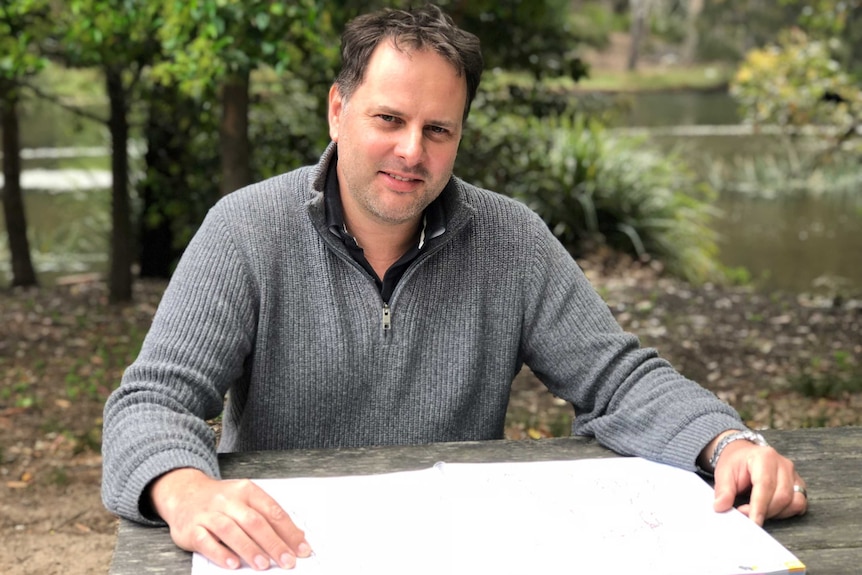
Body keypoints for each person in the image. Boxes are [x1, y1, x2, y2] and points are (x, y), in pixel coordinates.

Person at [101, 4, 808, 571]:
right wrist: (183, 486)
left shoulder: (511, 238)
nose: (413, 150)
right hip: (289, 553)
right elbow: (151, 400)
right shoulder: (246, 229)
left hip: (465, 551)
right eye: (389, 119)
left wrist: (726, 440)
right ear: (336, 110)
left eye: (438, 129)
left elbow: (617, 378)